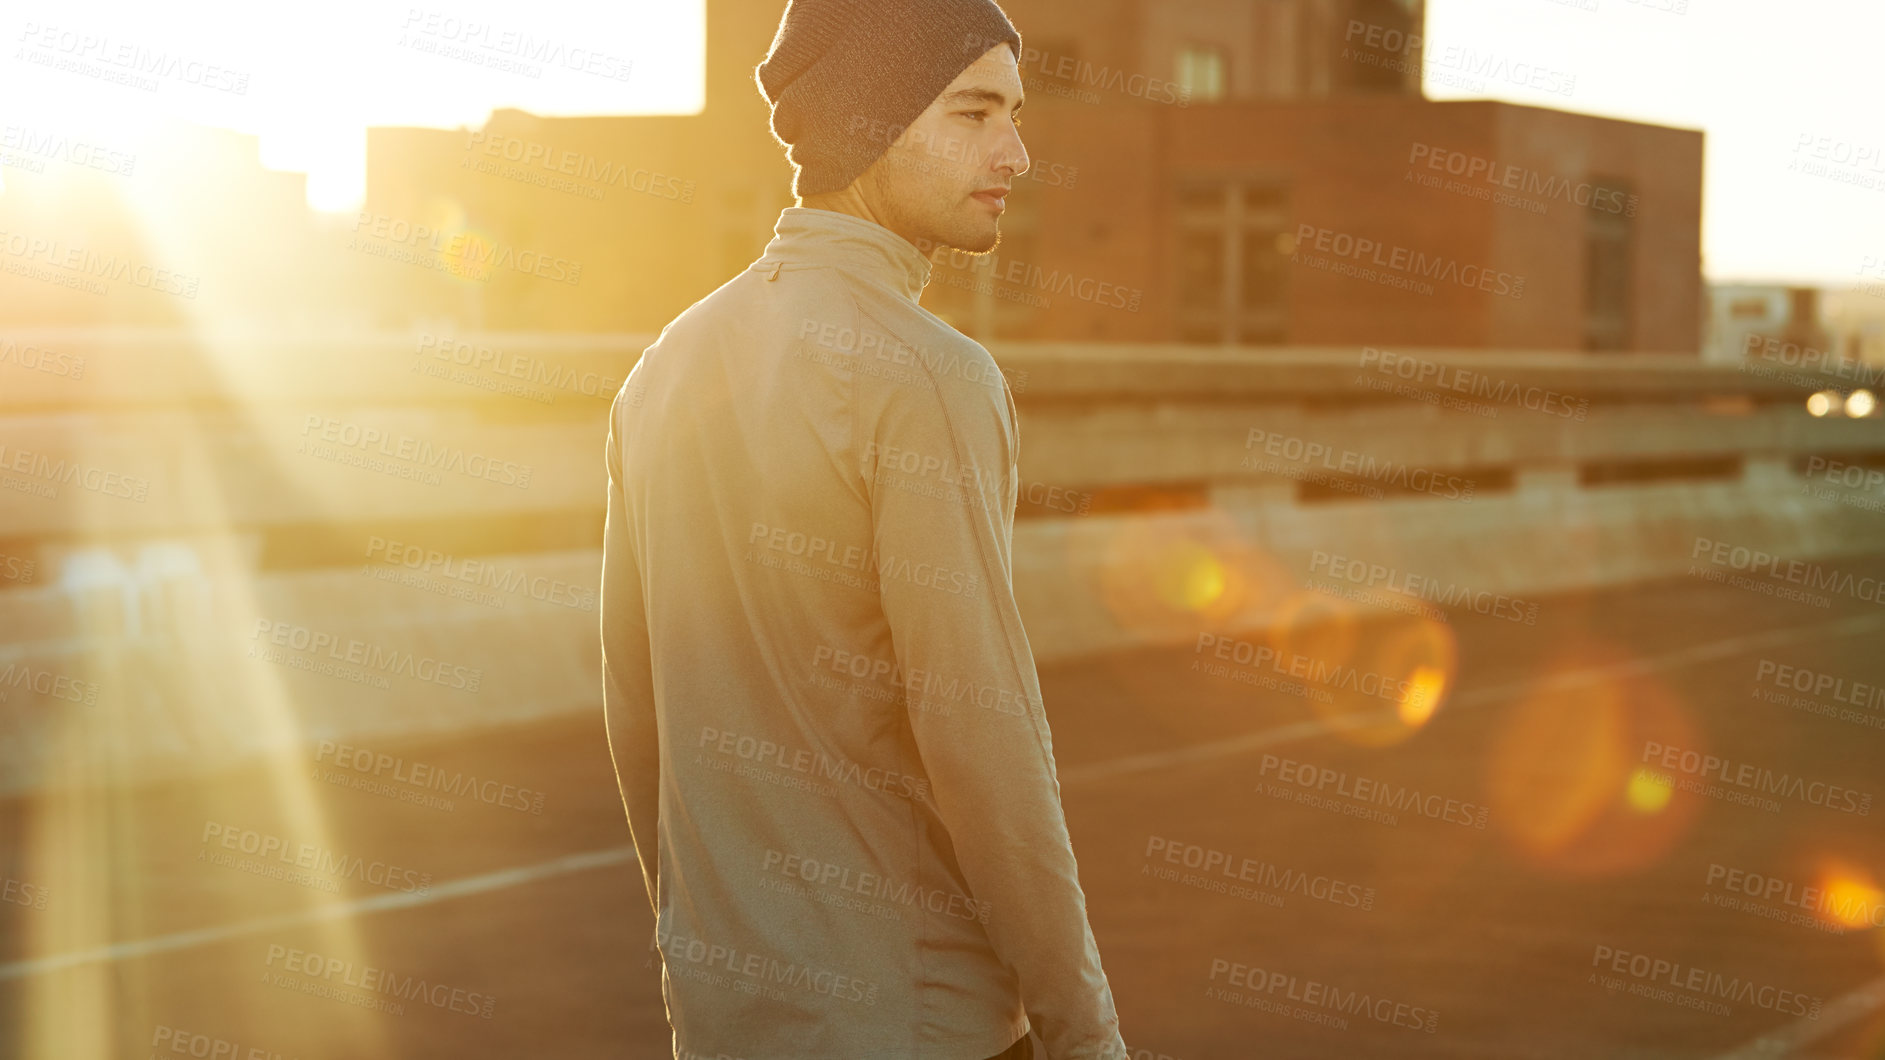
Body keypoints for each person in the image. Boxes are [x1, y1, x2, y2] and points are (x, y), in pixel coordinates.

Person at [600, 1, 1129, 1056]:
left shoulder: (666, 364)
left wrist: (705, 955)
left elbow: (635, 706)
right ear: (864, 124)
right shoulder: (933, 377)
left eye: (1015, 114)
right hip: (917, 1016)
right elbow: (987, 745)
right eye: (974, 112)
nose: (1015, 153)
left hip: (727, 1020)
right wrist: (1086, 1034)